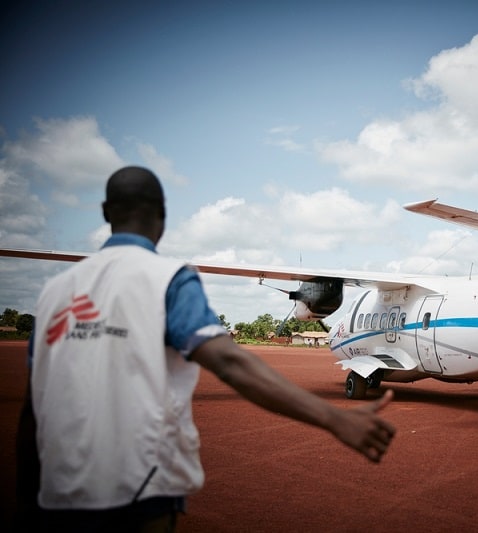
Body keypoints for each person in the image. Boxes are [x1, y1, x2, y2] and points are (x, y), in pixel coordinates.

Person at [15, 166, 395, 532]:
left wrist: (28, 496)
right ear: (162, 215)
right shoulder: (169, 280)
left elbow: (36, 405)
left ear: (105, 212)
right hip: (142, 489)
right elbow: (229, 362)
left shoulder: (55, 292)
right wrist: (334, 418)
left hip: (59, 491)